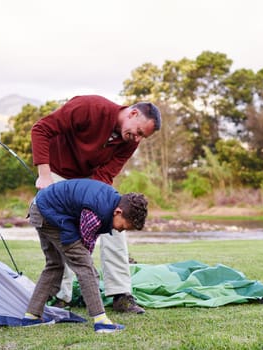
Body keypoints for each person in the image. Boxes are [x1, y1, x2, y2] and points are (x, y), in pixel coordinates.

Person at [31, 95, 161, 314]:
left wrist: (91, 208)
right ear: (133, 113)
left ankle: (121, 294)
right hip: (57, 175)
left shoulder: (129, 142)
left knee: (117, 226)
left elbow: (106, 174)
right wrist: (44, 175)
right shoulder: (89, 107)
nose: (137, 139)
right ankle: (61, 295)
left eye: (142, 137)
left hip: (90, 181)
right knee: (60, 230)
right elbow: (41, 129)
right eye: (138, 132)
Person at [22, 178, 148, 333]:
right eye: (123, 226)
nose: (122, 231)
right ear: (118, 212)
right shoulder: (97, 212)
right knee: (86, 269)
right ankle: (101, 321)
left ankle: (32, 316)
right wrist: (85, 265)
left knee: (54, 265)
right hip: (49, 214)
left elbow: (88, 239)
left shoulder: (110, 203)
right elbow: (84, 249)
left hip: (39, 208)